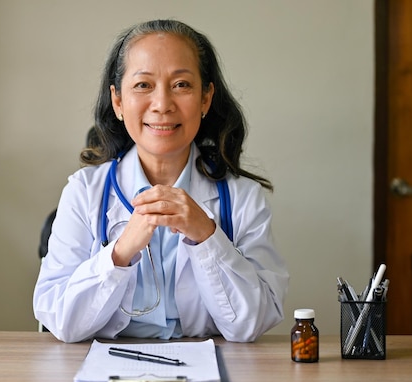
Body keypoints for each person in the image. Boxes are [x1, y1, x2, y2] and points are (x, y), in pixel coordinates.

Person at [33, 19, 289, 343]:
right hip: (105, 380)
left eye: (181, 85)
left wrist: (207, 236)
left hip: (214, 378)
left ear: (206, 99)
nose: (163, 104)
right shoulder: (84, 192)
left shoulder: (243, 198)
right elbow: (60, 320)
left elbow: (252, 323)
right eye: (143, 85)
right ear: (118, 102)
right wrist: (121, 252)